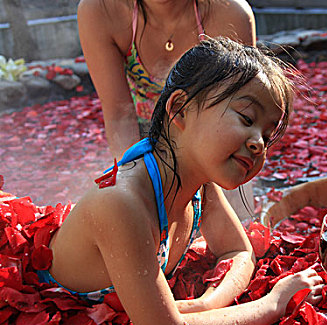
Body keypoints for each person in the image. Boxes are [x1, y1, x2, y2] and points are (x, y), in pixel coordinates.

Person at [38, 37, 323, 325]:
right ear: (180, 110)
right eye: (246, 119)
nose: (258, 143)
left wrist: (205, 305)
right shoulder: (121, 204)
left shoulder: (198, 180)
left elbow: (239, 252)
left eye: (268, 136)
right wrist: (274, 303)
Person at [77, 0, 258, 221]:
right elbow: (119, 113)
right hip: (145, 139)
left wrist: (234, 212)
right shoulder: (100, 9)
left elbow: (239, 111)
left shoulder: (229, 12)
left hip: (217, 139)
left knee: (235, 227)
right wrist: (133, 184)